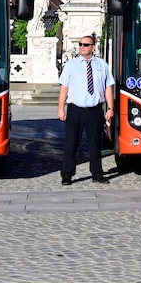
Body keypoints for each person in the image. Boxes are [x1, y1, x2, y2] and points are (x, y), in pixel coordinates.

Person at [58, 34, 115, 185]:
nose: (82, 47)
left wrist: (110, 108)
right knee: (71, 142)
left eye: (85, 44)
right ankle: (67, 174)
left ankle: (97, 173)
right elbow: (64, 88)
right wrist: (60, 109)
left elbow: (108, 87)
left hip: (95, 110)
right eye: (80, 44)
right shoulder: (71, 65)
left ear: (93, 47)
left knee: (95, 143)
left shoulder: (102, 65)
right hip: (75, 109)